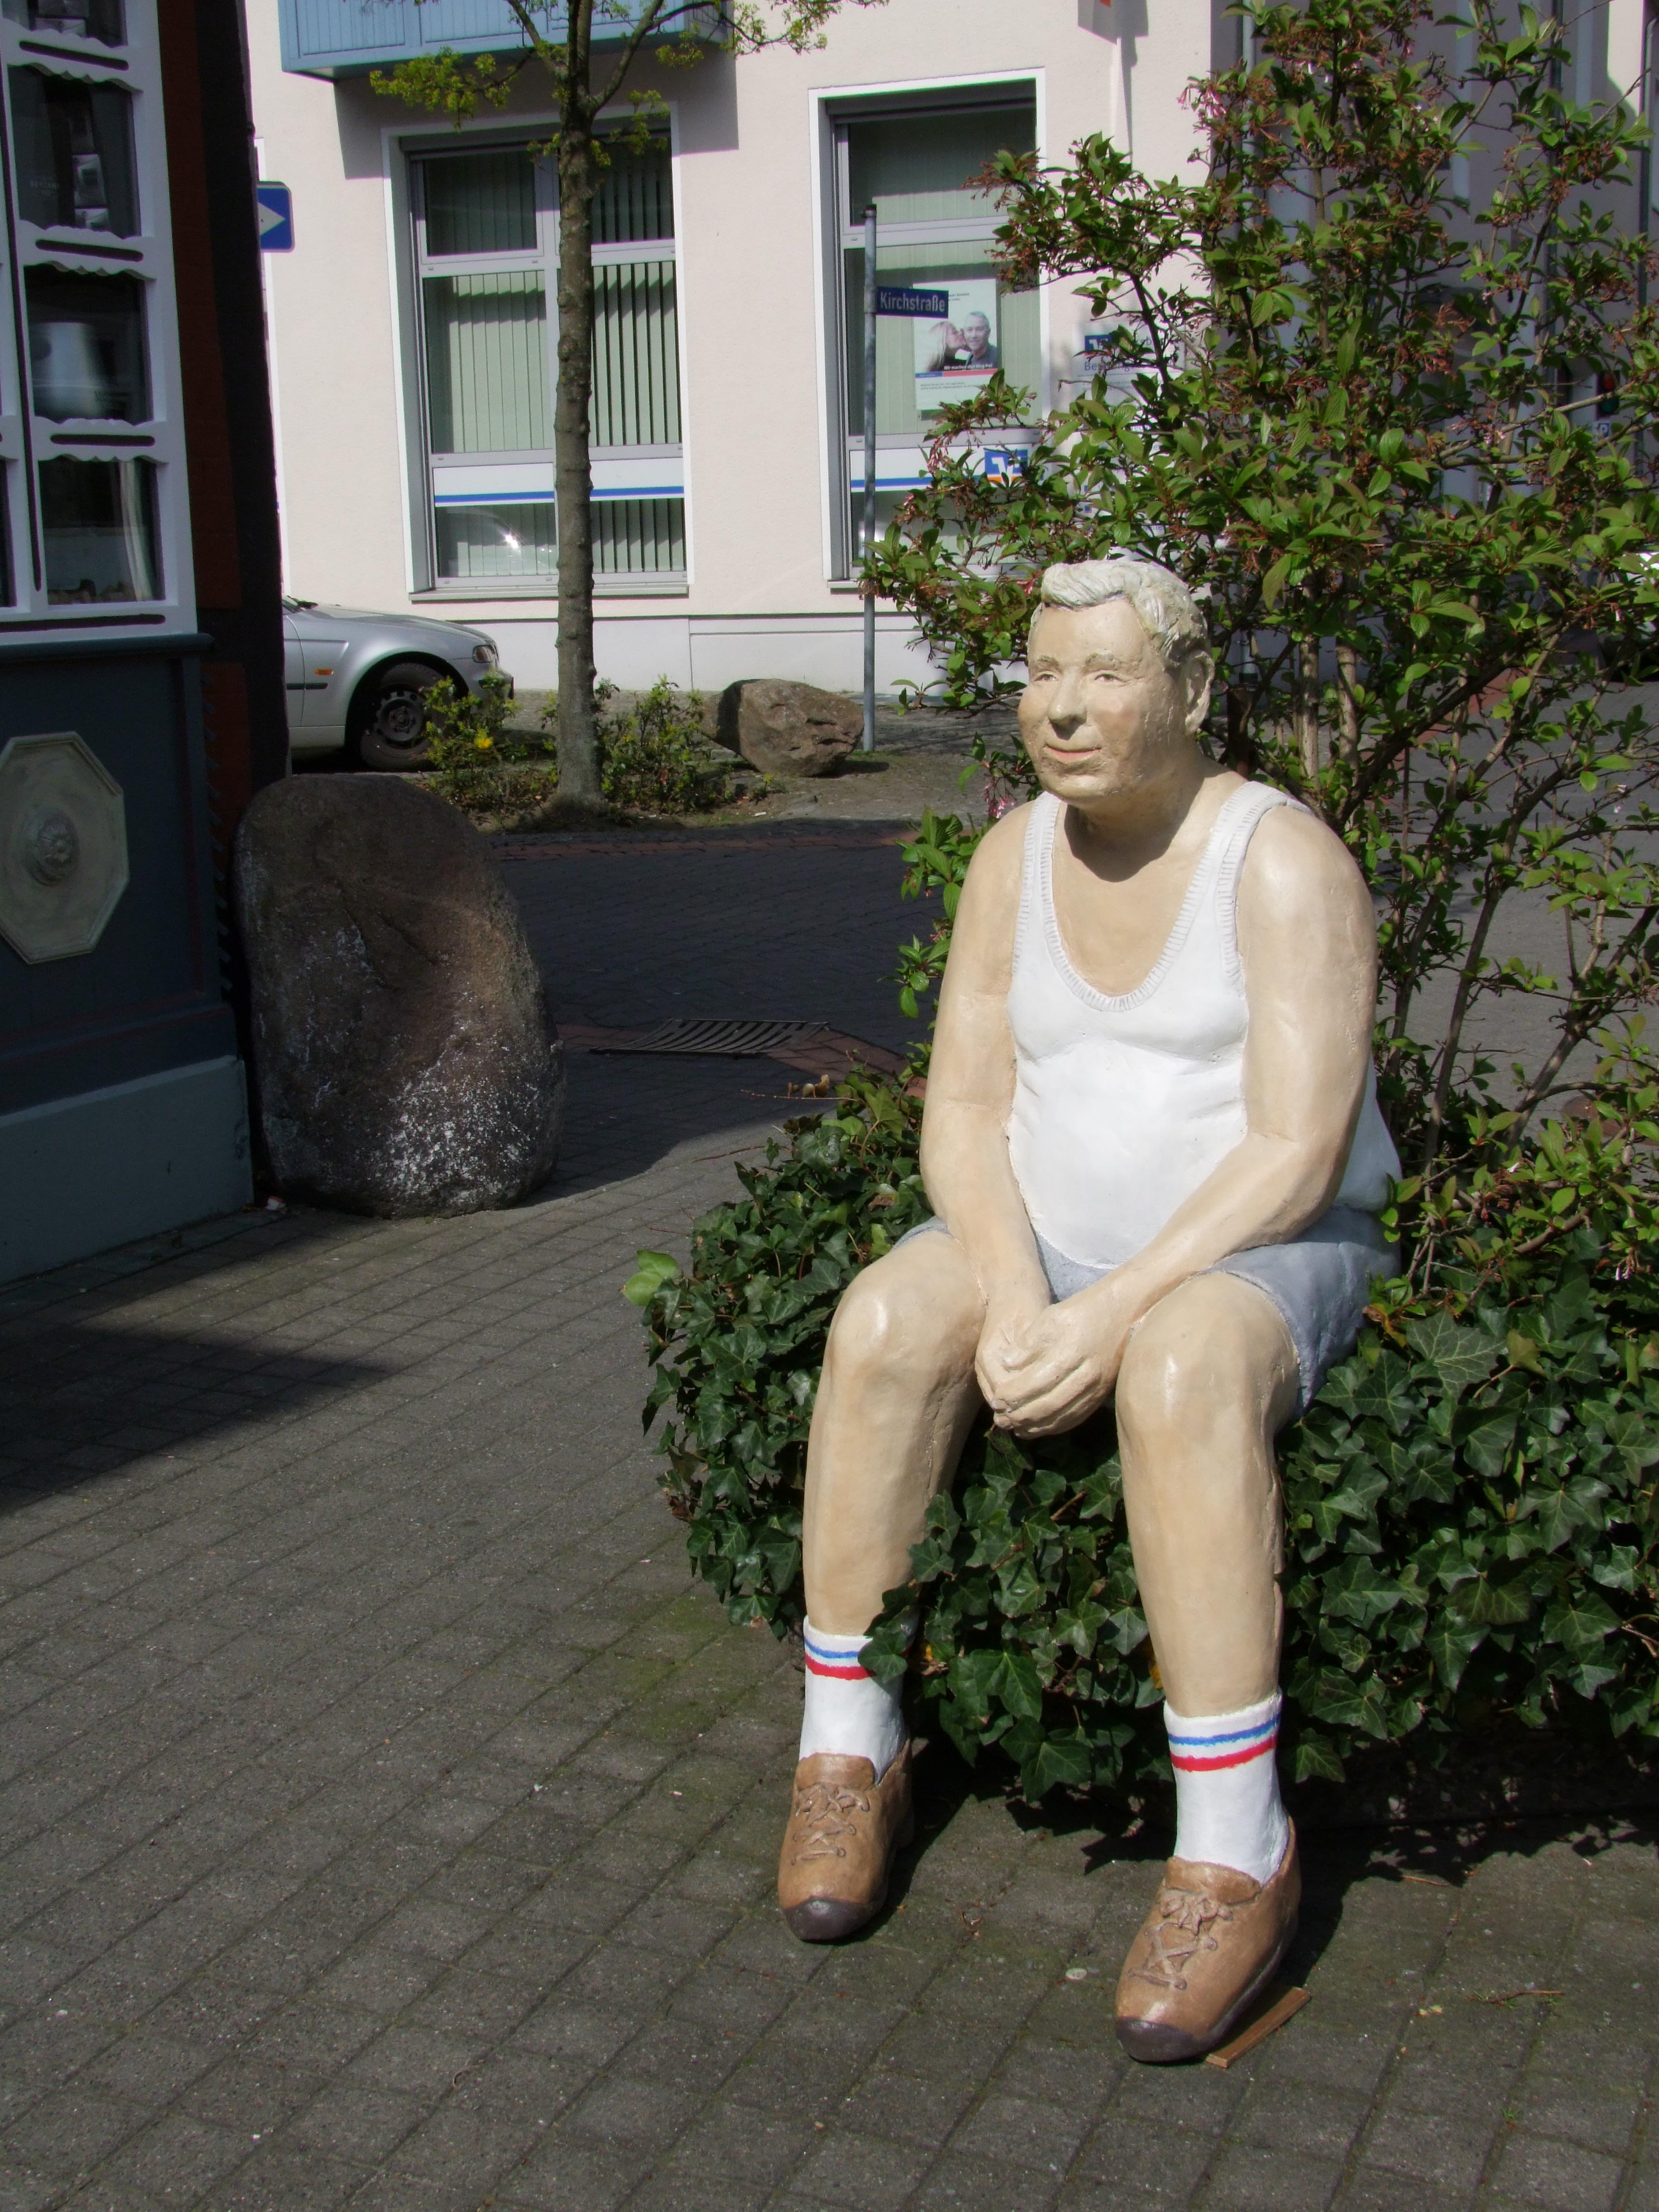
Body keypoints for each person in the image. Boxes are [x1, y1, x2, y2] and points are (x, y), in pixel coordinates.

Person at [775, 555, 1399, 2062]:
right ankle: (847, 1751)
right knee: (882, 1326)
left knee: (1180, 1373)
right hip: (1045, 1237)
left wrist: (1111, 1314)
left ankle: (1235, 1847)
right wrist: (1008, 1288)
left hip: (1258, 1249)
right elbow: (963, 1112)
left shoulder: (1282, 862)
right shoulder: (1013, 859)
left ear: (1190, 690)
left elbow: (1296, 1149)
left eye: (1106, 675)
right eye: (1044, 673)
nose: (1062, 708)